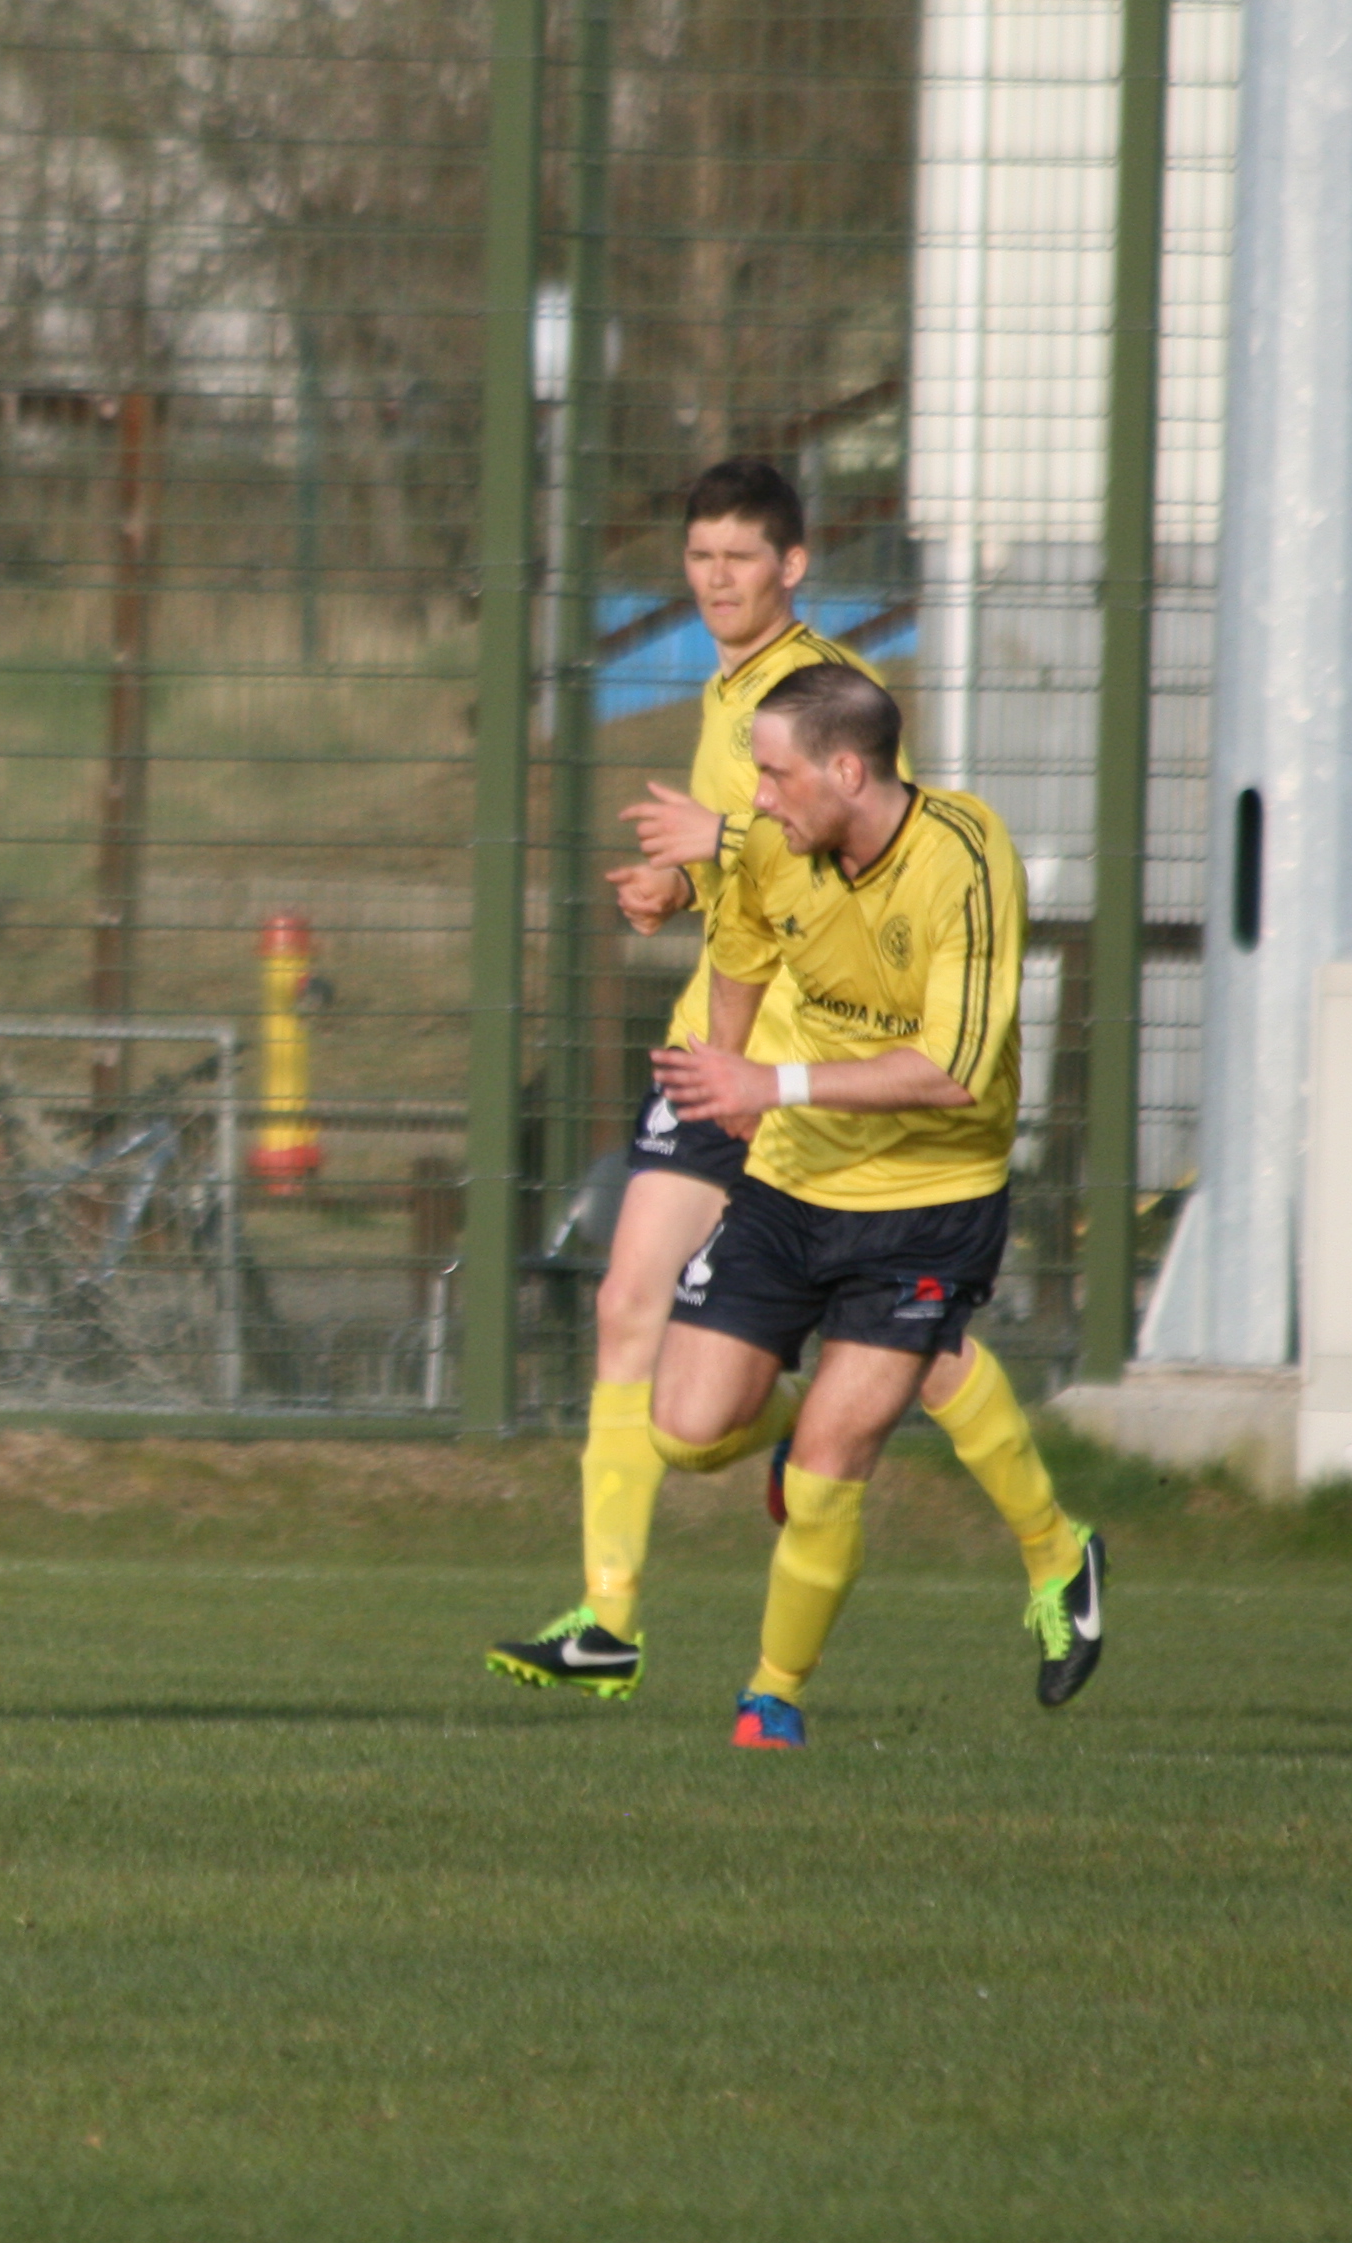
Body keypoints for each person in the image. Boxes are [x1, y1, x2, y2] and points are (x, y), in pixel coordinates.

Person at [488, 455, 1059, 1706]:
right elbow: (761, 874)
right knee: (629, 1305)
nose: (714, 580)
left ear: (792, 566)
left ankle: (1040, 1543)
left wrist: (723, 848)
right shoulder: (724, 693)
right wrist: (681, 884)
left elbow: (834, 854)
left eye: (738, 558)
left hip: (809, 1078)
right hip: (724, 1050)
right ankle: (609, 1618)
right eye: (697, 558)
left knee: (905, 1348)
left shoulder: (821, 697)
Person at [640, 664, 1104, 1749]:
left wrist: (772, 1081)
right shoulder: (773, 844)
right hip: (793, 1176)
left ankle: (772, 1698)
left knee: (826, 1473)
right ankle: (855, 1434)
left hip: (930, 1200)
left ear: (847, 772)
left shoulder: (966, 858)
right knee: (687, 1432)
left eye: (775, 775)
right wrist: (728, 1077)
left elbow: (953, 1070)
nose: (757, 798)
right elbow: (742, 951)